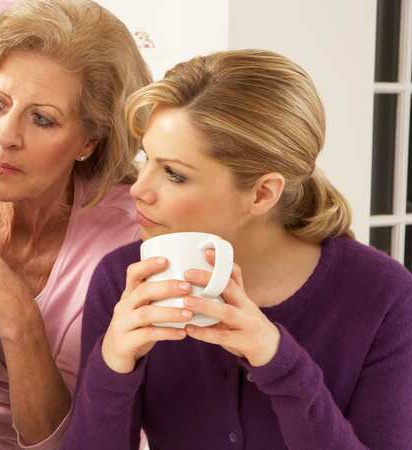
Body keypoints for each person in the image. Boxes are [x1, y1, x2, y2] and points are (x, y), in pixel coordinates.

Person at [63, 49, 412, 449]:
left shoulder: (383, 297)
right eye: (147, 159)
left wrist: (279, 362)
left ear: (262, 194)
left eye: (174, 174)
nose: (139, 189)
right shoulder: (124, 279)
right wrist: (112, 367)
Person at [0, 1, 152, 448]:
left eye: (42, 119)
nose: (5, 135)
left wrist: (19, 319)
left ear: (89, 141)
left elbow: (77, 440)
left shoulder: (126, 241)